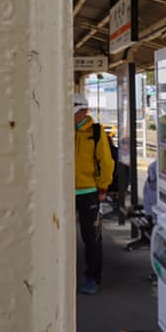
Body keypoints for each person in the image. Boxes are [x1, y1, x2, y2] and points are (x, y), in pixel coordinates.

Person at [74, 92, 115, 295]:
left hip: (89, 191)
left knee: (91, 237)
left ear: (84, 111)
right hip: (65, 192)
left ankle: (93, 278)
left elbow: (106, 162)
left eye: (74, 112)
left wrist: (103, 187)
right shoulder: (63, 130)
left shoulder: (96, 132)